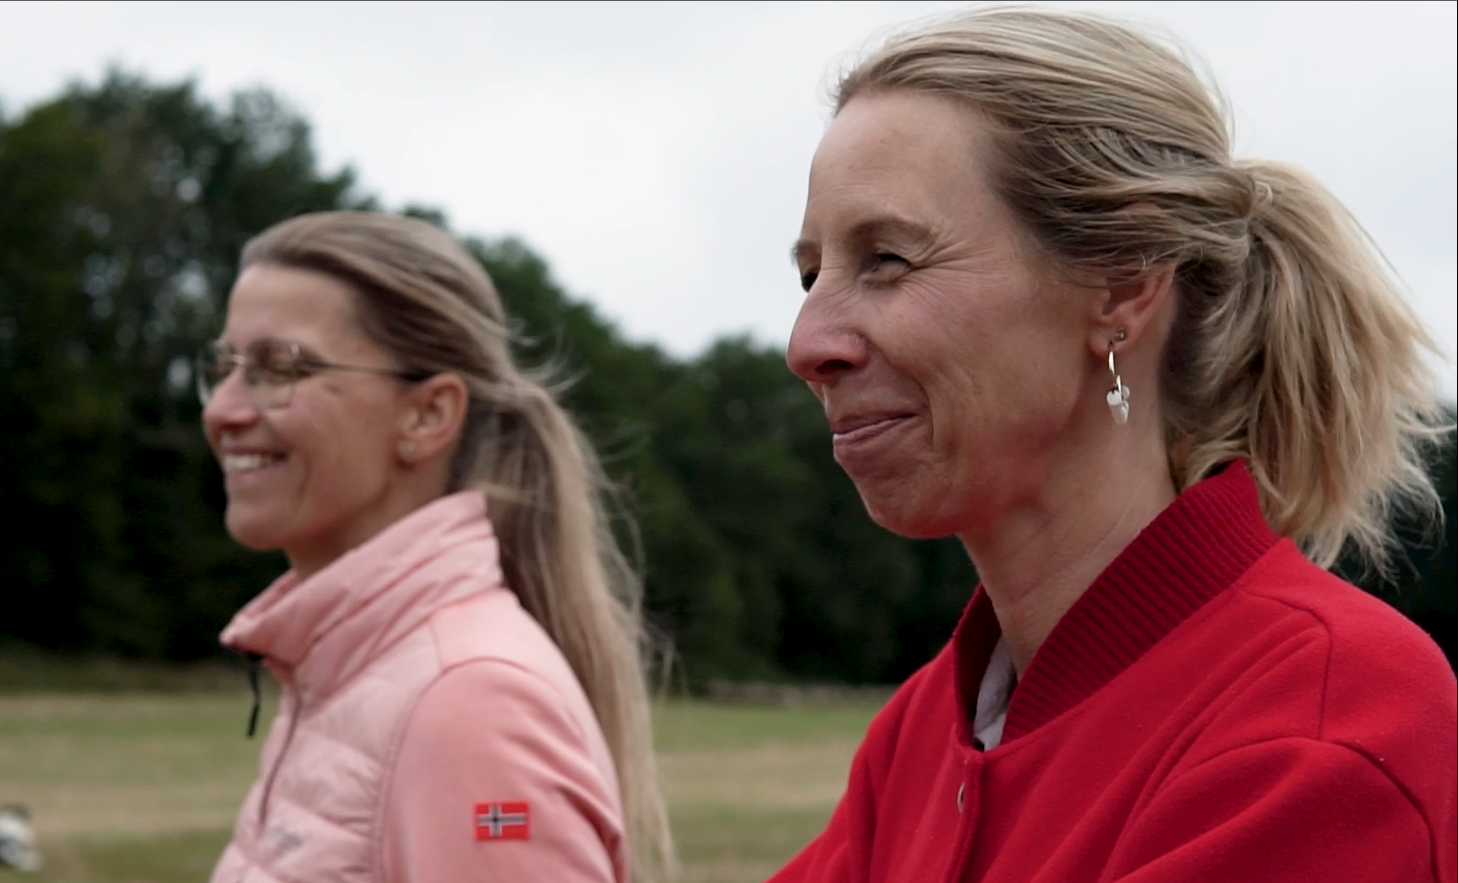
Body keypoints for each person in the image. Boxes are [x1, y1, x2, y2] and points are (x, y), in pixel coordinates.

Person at [773, 6, 1456, 883]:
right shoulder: (920, 731)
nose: (807, 343)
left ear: (1124, 280)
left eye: (890, 260)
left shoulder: (1325, 719)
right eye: (809, 273)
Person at [200, 211, 671, 883]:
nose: (223, 408)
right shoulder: (345, 670)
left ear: (427, 414)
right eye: (224, 365)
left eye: (279, 368)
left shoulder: (469, 706)